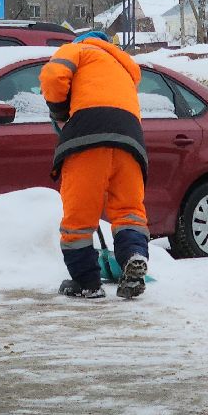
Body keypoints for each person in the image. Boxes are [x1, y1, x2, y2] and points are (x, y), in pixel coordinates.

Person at [38, 29, 150, 300]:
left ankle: (87, 282)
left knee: (79, 218)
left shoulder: (78, 50)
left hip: (88, 137)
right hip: (131, 141)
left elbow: (53, 75)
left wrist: (60, 112)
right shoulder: (124, 64)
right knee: (129, 211)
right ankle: (133, 255)